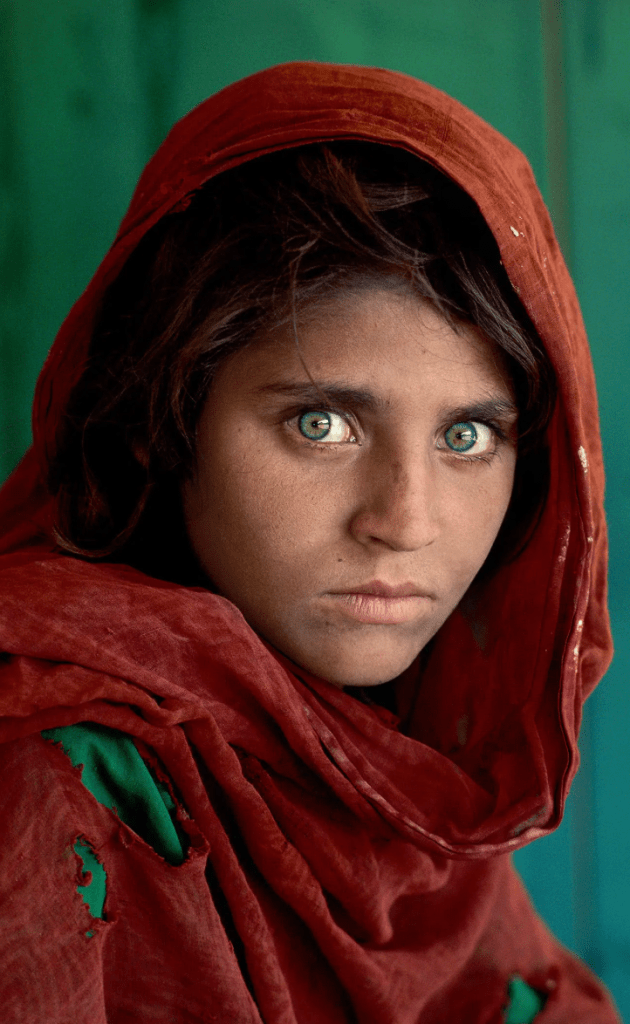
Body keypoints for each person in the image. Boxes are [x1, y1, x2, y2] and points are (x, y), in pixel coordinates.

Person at [0, 61, 619, 1023]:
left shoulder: (398, 775)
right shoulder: (56, 780)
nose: (406, 522)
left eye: (467, 436)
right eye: (321, 424)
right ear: (162, 417)